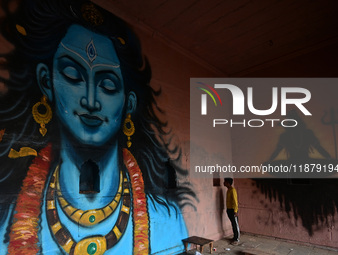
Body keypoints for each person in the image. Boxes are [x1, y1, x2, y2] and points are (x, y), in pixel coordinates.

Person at [0, 0, 194, 254]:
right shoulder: (9, 219)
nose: (90, 101)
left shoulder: (168, 218)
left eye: (108, 85)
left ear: (128, 101)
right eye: (72, 75)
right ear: (47, 82)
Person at [224, 177, 240, 245]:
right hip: (229, 209)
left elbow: (235, 201)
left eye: (225, 181)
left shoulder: (233, 190)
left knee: (235, 225)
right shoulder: (228, 190)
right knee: (233, 224)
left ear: (228, 183)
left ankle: (237, 239)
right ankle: (234, 237)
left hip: (233, 210)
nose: (223, 183)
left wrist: (235, 211)